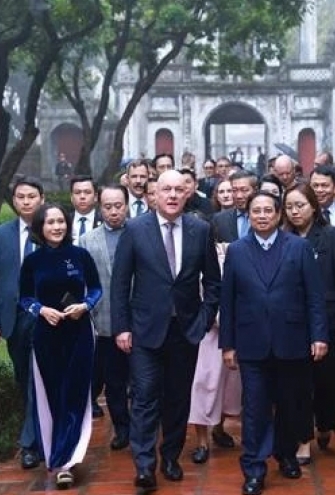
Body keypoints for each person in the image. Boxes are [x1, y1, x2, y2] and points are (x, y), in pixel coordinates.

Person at [111, 170, 222, 491]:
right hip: (144, 331)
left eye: (178, 189)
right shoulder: (134, 229)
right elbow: (120, 283)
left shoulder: (200, 229)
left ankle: (170, 456)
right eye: (166, 190)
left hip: (185, 331)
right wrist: (122, 327)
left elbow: (213, 282)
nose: (172, 195)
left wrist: (203, 319)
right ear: (153, 195)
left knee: (177, 398)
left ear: (187, 193)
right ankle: (144, 466)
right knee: (145, 397)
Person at [219, 191, 328, 495]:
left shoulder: (299, 247)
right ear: (249, 215)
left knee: (289, 404)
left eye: (269, 210)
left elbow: (314, 297)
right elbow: (227, 301)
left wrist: (319, 336)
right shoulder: (237, 251)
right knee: (254, 408)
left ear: (279, 215)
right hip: (251, 343)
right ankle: (254, 467)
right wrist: (228, 345)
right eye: (257, 211)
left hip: (292, 340)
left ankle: (286, 453)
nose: (263, 216)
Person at [18, 203, 102, 489]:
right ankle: (55, 454)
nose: (57, 227)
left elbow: (96, 288)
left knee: (75, 394)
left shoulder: (80, 256)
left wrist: (85, 305)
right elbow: (25, 297)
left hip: (79, 334)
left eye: (61, 222)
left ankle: (67, 462)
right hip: (46, 335)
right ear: (41, 227)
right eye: (50, 222)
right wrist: (41, 310)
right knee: (53, 395)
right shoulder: (32, 261)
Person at [282, 184, 335, 466]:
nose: (295, 212)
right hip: (294, 324)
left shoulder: (331, 237)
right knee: (298, 385)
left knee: (326, 384)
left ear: (314, 207)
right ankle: (303, 439)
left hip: (329, 321)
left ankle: (325, 423)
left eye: (301, 205)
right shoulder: (282, 238)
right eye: (290, 207)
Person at [0, 177, 45, 471]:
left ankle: (31, 444)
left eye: (31, 196)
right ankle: (36, 432)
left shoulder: (53, 229)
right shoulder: (2, 235)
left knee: (39, 378)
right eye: (20, 196)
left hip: (47, 318)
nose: (26, 201)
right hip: (14, 318)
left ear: (41, 199)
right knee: (24, 378)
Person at [79, 185, 131, 450]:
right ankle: (122, 428)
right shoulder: (88, 240)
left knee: (144, 381)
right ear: (101, 207)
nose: (114, 212)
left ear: (127, 204)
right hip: (105, 321)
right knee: (114, 381)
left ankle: (144, 426)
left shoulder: (141, 232)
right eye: (108, 207)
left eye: (118, 206)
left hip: (140, 320)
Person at [187, 241, 242, 465]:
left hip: (232, 333)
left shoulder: (227, 257)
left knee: (230, 387)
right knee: (203, 385)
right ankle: (202, 441)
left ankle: (219, 429)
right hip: (203, 334)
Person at [211, 170, 258, 242]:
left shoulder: (264, 217)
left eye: (244, 190)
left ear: (255, 190)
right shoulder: (220, 220)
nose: (239, 196)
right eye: (234, 190)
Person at [69, 175, 103, 246]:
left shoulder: (104, 221)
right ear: (71, 197)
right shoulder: (65, 221)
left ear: (96, 197)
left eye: (87, 192)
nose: (82, 196)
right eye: (77, 193)